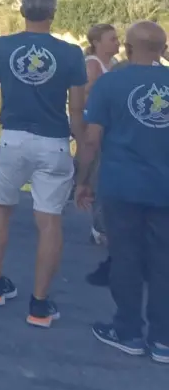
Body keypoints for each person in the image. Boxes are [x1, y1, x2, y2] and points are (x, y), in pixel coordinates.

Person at [0, 0, 87, 327]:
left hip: (12, 139)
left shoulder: (2, 46)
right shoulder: (71, 54)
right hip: (53, 143)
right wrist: (82, 151)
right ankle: (39, 305)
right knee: (49, 221)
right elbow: (78, 109)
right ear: (53, 12)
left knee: (0, 210)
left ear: (22, 11)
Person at [74, 21, 169, 362]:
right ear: (163, 48)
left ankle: (128, 330)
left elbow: (91, 138)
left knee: (125, 258)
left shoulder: (111, 83)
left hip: (121, 185)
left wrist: (82, 180)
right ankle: (163, 340)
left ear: (128, 48)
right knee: (164, 260)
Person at [83, 22, 121, 285]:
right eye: (112, 39)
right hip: (93, 124)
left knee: (104, 170)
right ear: (97, 42)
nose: (116, 43)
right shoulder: (92, 64)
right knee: (97, 172)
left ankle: (101, 224)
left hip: (109, 124)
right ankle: (98, 226)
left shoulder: (115, 62)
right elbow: (88, 96)